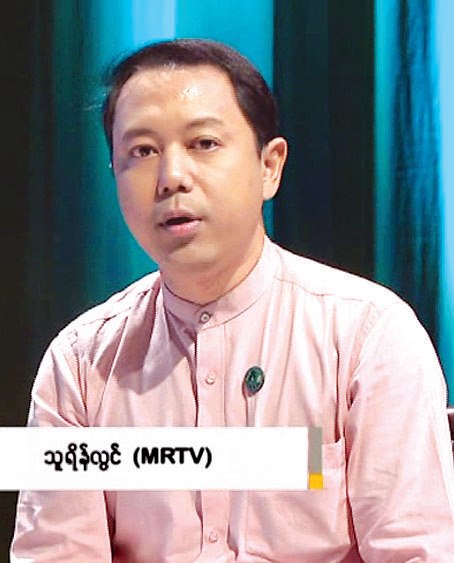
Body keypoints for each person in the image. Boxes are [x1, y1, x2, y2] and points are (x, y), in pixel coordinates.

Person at [11, 38, 454, 562]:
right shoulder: (78, 365)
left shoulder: (370, 336)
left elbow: (417, 552)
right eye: (142, 151)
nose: (171, 178)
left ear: (270, 166)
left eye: (203, 143)